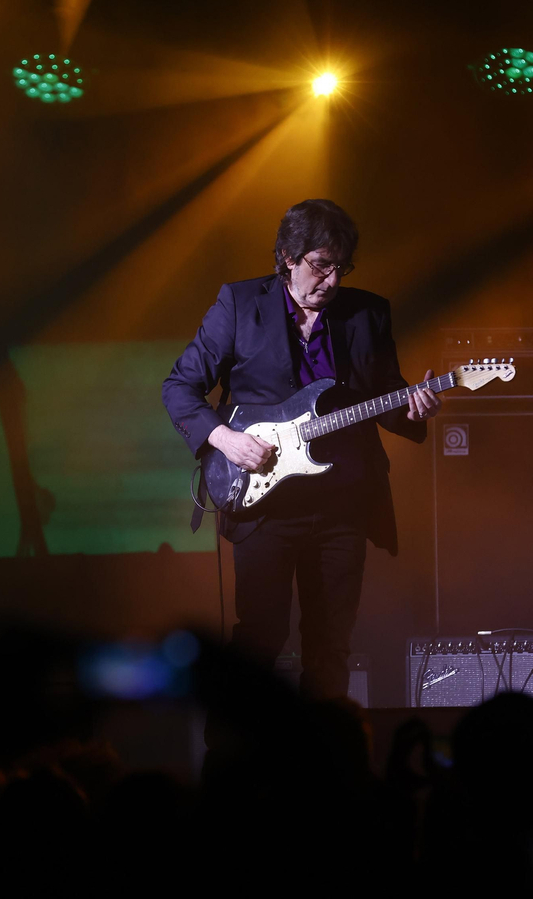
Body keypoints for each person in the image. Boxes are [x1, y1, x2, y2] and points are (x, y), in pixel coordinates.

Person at [162, 199, 439, 698]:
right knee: (258, 644)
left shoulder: (367, 313)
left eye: (341, 268)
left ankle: (325, 764)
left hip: (342, 505)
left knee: (331, 646)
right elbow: (179, 388)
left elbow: (386, 396)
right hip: (263, 502)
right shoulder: (240, 304)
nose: (332, 281)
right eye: (320, 266)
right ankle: (236, 765)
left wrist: (413, 409)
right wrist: (226, 440)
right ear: (287, 257)